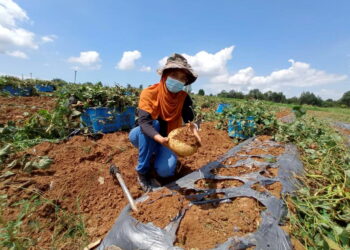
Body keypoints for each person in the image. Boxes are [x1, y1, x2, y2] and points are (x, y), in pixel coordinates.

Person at [128, 53, 201, 192]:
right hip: (143, 135)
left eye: (182, 78)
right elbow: (144, 123)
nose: (178, 81)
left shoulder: (183, 97)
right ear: (165, 75)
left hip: (169, 139)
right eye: (174, 75)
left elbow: (191, 120)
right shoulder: (149, 93)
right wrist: (160, 139)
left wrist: (195, 132)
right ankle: (143, 172)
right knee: (153, 124)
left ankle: (156, 155)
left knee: (165, 171)